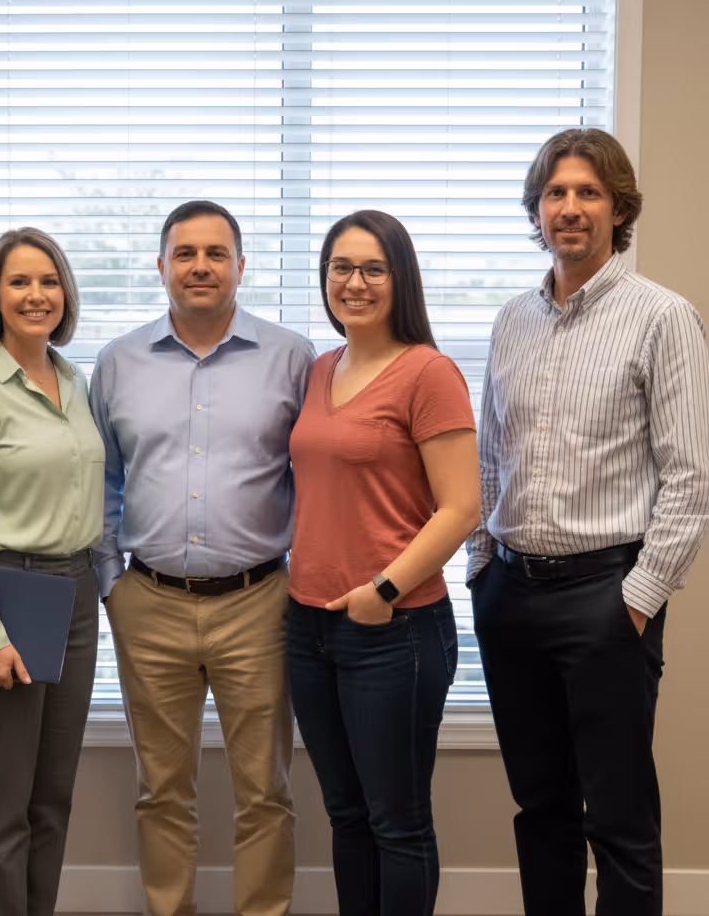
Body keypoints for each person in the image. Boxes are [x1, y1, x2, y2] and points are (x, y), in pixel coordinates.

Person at [467, 128, 709, 916]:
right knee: (541, 813)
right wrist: (480, 569)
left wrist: (637, 600)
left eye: (588, 193)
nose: (569, 209)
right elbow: (490, 459)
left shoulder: (663, 317)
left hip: (607, 597)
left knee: (620, 821)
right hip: (511, 596)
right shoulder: (512, 320)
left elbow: (691, 478)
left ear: (618, 208)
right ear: (537, 211)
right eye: (555, 194)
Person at [90, 200, 315, 916]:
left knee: (266, 790)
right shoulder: (118, 363)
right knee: (161, 789)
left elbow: (318, 477)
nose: (200, 266)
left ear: (240, 267)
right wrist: (110, 586)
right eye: (185, 253)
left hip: (259, 601)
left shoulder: (292, 357)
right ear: (161, 267)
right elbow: (101, 479)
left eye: (216, 253)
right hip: (149, 602)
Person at [285, 210, 479, 916]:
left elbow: (461, 507)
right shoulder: (319, 369)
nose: (355, 282)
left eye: (373, 268)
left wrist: (384, 589)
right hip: (307, 626)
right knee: (347, 815)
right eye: (342, 267)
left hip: (393, 629)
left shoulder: (429, 373)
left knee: (398, 823)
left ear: (400, 279)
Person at [0, 226, 104, 916]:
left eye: (49, 281)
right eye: (19, 282)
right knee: (4, 807)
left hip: (78, 594)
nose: (37, 295)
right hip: (6, 593)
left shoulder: (71, 379)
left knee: (52, 797)